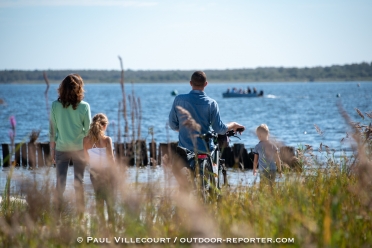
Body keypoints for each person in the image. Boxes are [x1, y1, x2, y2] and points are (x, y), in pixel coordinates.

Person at [169, 71, 245, 154]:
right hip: (205, 150)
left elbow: (172, 125)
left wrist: (185, 130)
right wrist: (233, 125)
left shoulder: (179, 99)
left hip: (184, 151)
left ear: (190, 83)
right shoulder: (211, 103)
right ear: (206, 84)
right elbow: (219, 129)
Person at [49, 74, 91, 218]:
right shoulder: (85, 106)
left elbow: (53, 131)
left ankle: (56, 215)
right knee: (79, 182)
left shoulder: (55, 105)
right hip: (79, 149)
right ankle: (80, 215)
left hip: (61, 148)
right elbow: (88, 132)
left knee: (60, 184)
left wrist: (52, 150)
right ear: (79, 88)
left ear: (62, 88)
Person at [83, 113, 116, 225]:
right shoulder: (107, 140)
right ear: (104, 126)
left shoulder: (85, 140)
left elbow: (87, 159)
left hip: (94, 172)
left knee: (99, 197)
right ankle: (111, 223)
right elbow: (111, 158)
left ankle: (101, 223)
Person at [253, 124, 282, 188]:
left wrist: (254, 169)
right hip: (273, 169)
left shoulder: (257, 147)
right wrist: (280, 171)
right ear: (268, 134)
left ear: (259, 135)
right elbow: (278, 160)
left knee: (263, 187)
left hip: (263, 170)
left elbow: (255, 161)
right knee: (272, 186)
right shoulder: (273, 146)